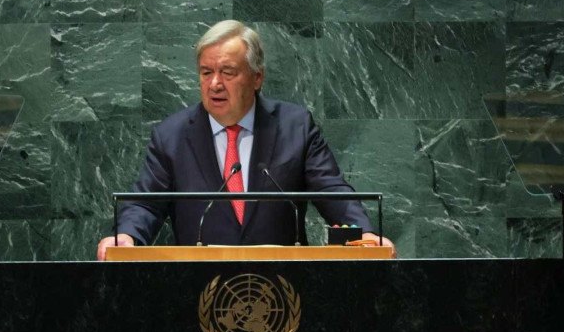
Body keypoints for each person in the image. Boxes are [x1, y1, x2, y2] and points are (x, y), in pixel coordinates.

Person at [97, 20, 394, 260]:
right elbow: (146, 204)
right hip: (198, 288)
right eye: (206, 72)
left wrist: (363, 233)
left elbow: (330, 189)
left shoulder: (295, 127)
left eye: (227, 72)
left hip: (283, 287)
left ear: (257, 77)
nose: (215, 84)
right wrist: (127, 236)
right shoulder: (171, 136)